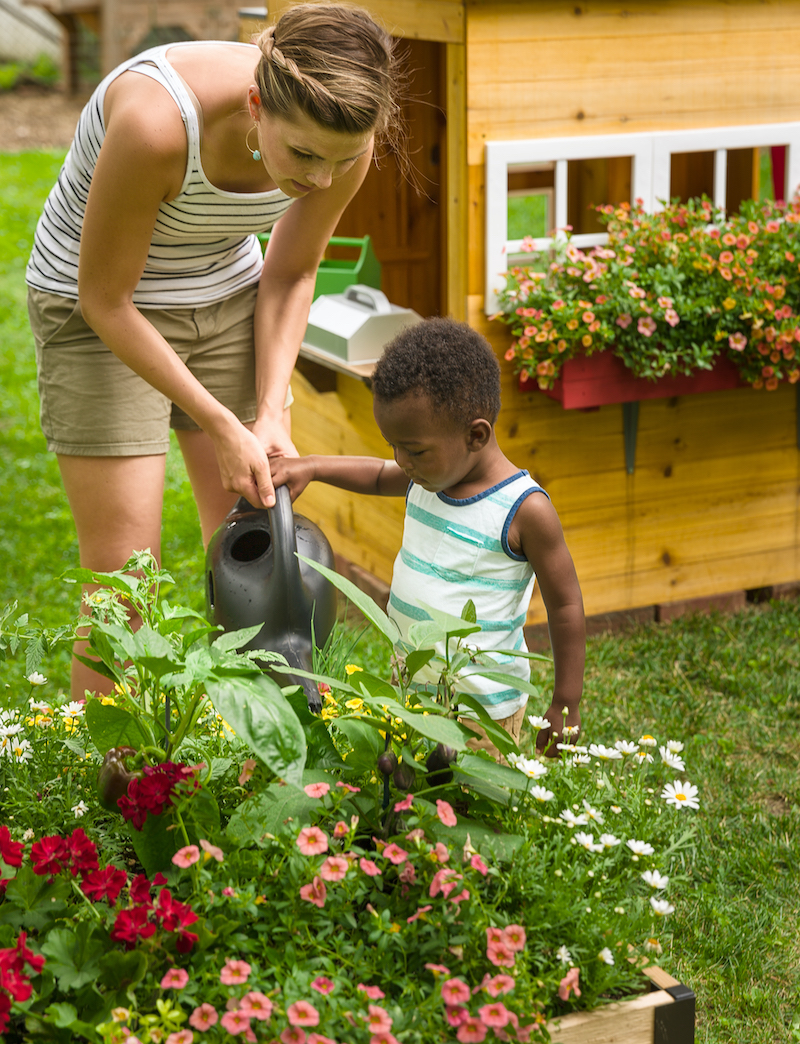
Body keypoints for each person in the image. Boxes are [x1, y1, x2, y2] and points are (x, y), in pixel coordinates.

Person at [25, 3, 403, 700]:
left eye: (343, 160)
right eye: (305, 156)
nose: (322, 180)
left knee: (258, 542)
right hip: (99, 308)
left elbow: (289, 272)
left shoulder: (346, 141)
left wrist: (268, 411)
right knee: (125, 576)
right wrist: (222, 424)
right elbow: (106, 298)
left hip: (225, 293)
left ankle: (260, 753)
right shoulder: (156, 124)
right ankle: (105, 773)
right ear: (257, 104)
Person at [270, 317, 585, 757]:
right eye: (393, 446)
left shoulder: (524, 511)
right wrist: (313, 467)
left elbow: (566, 606)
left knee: (471, 815)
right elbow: (379, 474)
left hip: (481, 710)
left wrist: (565, 701)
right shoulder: (428, 475)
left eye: (413, 450)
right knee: (415, 803)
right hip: (413, 688)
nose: (401, 461)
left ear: (476, 435)